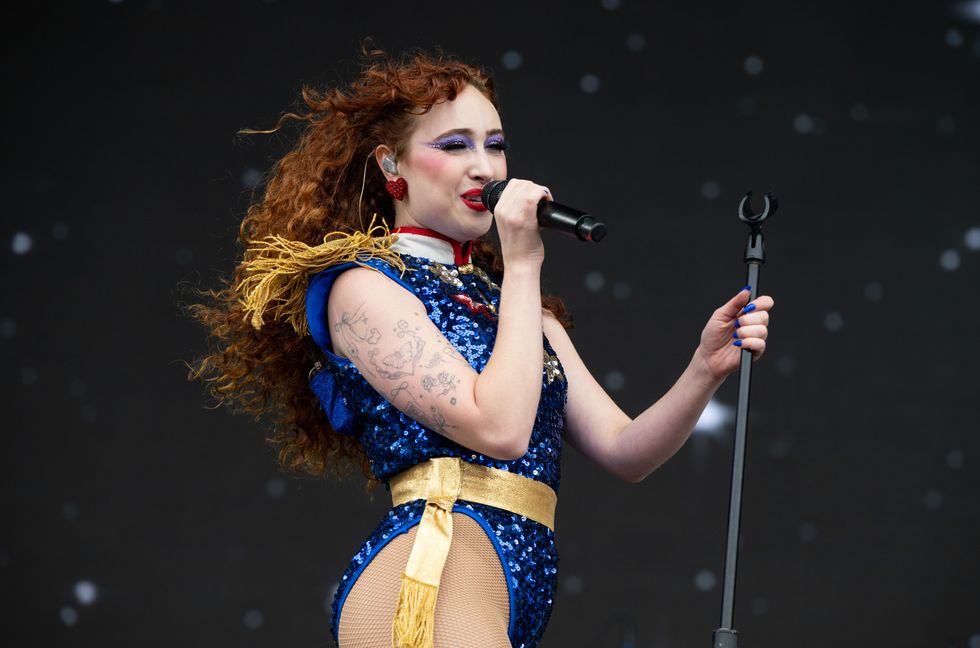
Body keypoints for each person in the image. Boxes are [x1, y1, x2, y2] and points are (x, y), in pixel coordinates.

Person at [189, 48, 773, 648]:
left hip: (513, 582)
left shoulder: (516, 308)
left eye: (494, 145)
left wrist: (705, 369)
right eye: (455, 145)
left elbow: (627, 452)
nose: (485, 167)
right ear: (393, 165)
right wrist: (524, 261)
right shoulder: (364, 289)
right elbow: (498, 430)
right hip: (435, 570)